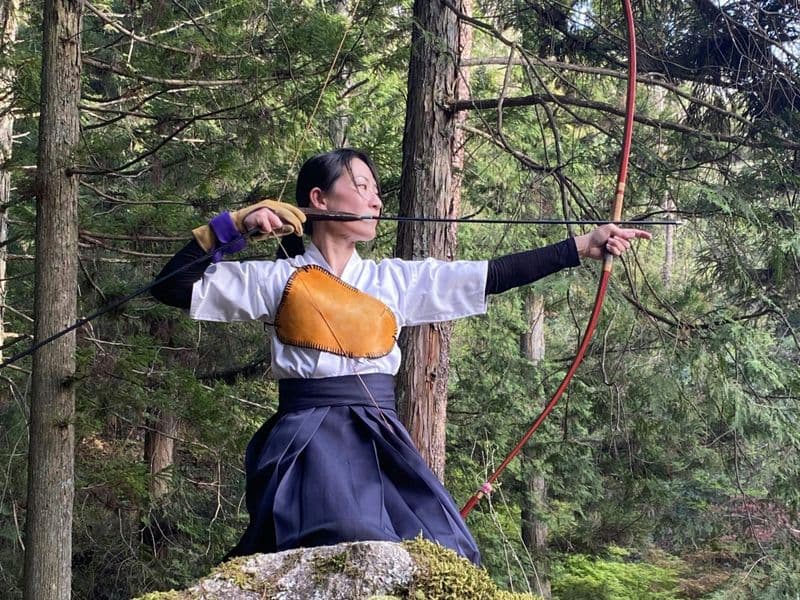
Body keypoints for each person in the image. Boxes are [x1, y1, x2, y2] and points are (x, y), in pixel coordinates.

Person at [152, 148, 650, 565]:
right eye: (361, 185)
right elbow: (170, 287)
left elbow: (490, 275)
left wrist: (582, 245)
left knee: (448, 550)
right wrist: (231, 226)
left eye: (375, 188)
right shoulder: (277, 278)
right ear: (319, 199)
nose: (375, 198)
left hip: (381, 437)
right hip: (306, 440)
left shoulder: (393, 281)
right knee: (341, 534)